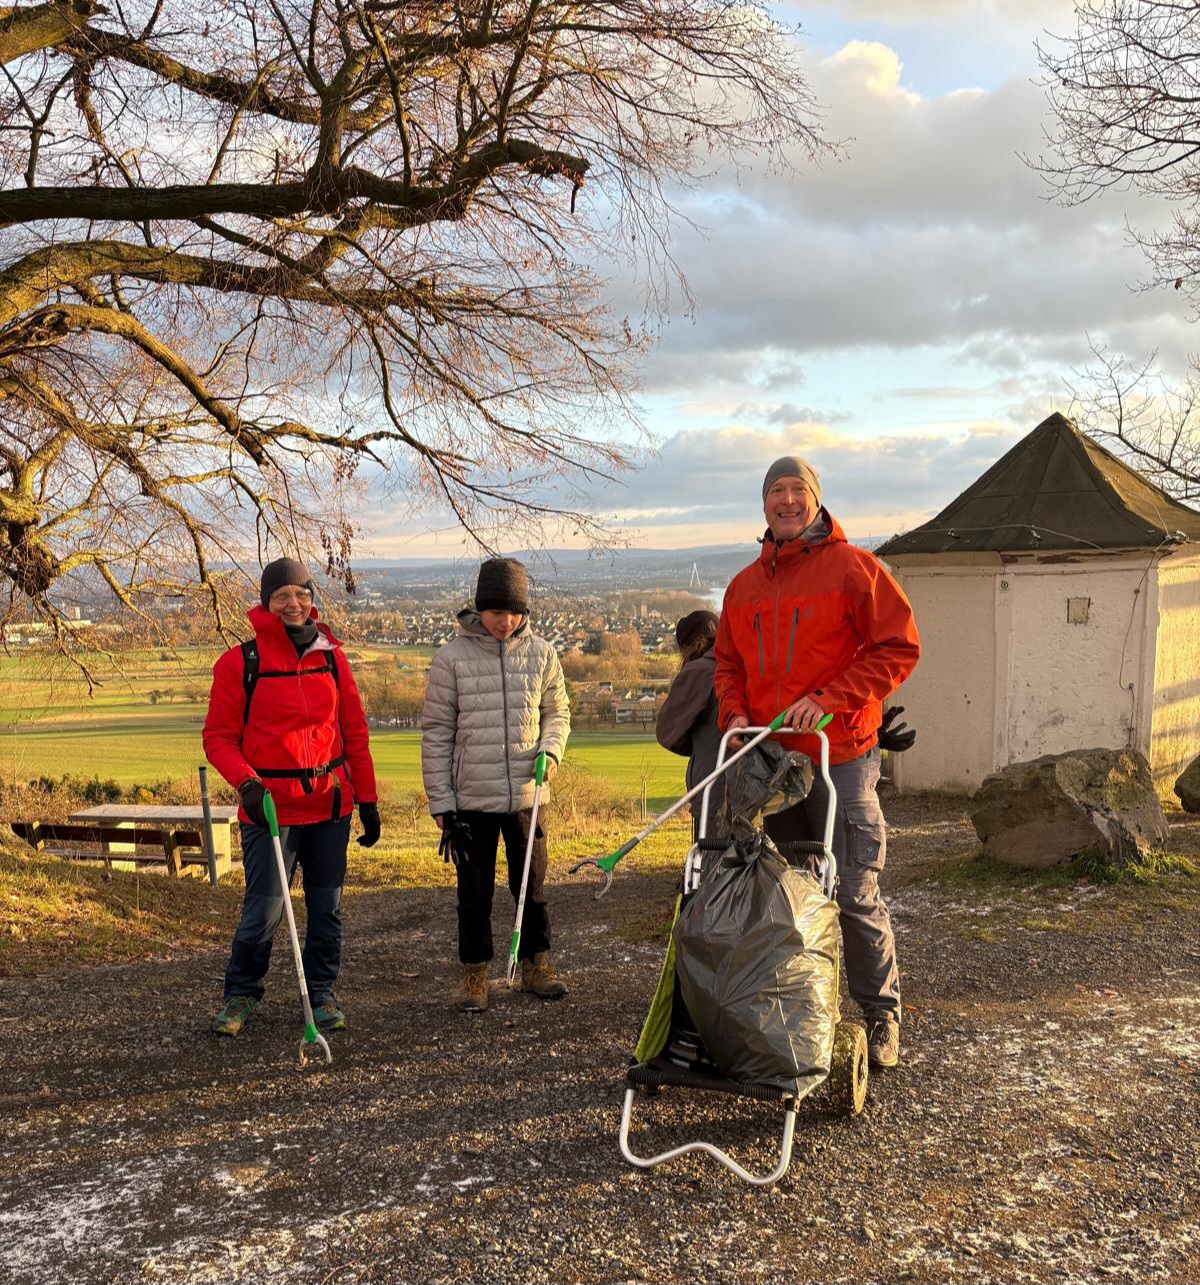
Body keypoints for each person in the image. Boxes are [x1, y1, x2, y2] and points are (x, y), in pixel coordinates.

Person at [714, 458, 920, 1069]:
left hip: (841, 755)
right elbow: (728, 665)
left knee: (852, 890)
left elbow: (898, 647)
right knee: (786, 894)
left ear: (816, 499)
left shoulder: (854, 568)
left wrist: (830, 699)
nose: (786, 500)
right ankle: (803, 1012)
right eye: (775, 491)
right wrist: (733, 715)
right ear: (764, 505)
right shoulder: (743, 587)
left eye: (796, 490)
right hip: (772, 765)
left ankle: (881, 1014)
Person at [203, 557, 380, 1037]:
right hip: (269, 809)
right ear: (266, 603)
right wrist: (246, 783)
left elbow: (354, 732)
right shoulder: (240, 663)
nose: (293, 603)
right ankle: (241, 992)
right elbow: (218, 737)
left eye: (301, 594)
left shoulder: (332, 658)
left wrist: (367, 799)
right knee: (264, 910)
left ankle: (321, 993)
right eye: (281, 596)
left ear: (311, 599)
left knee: (327, 908)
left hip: (329, 806)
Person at [420, 557, 571, 1013]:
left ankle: (536, 965)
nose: (505, 621)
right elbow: (437, 733)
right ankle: (475, 974)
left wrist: (551, 751)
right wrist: (442, 802)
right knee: (474, 892)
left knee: (532, 885)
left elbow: (557, 713)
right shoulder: (451, 659)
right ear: (479, 608)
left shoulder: (543, 653)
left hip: (528, 794)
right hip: (471, 798)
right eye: (496, 612)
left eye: (514, 612)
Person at [655, 609, 724, 841]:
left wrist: (696, 743)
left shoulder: (699, 671)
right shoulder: (741, 662)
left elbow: (667, 732)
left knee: (710, 858)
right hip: (756, 784)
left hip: (713, 786)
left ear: (690, 646)